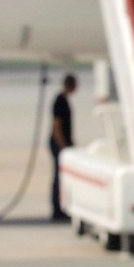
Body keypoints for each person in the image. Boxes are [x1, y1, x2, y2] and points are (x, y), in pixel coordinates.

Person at [49, 73, 77, 221]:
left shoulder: (63, 100)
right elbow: (57, 127)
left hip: (62, 143)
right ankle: (56, 209)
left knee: (61, 177)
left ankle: (61, 207)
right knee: (58, 177)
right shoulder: (60, 101)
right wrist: (63, 146)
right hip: (58, 143)